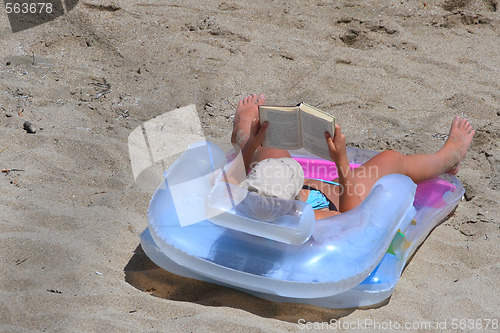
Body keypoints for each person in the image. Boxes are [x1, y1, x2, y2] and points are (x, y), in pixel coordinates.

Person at [231, 94, 475, 220]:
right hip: (334, 200)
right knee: (388, 159)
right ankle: (448, 157)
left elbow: (228, 179)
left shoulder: (237, 197)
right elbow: (352, 216)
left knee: (266, 149)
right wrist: (341, 162)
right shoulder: (309, 217)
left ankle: (243, 136)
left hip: (284, 195)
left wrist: (252, 143)